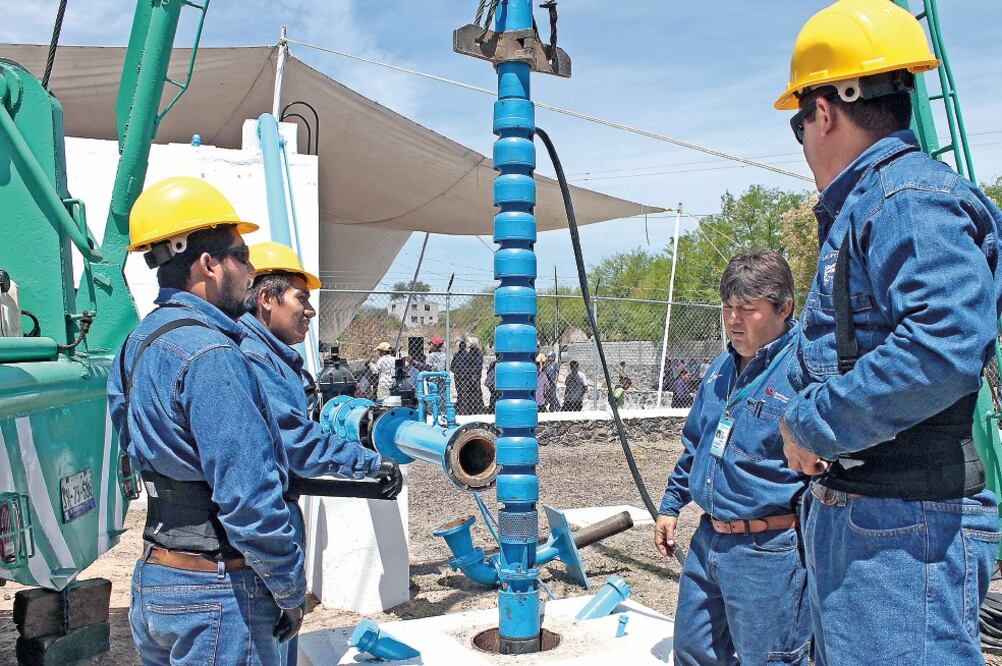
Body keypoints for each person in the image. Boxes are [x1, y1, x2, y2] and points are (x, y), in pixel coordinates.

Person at [775, 3, 1002, 663]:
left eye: (797, 122)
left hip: (902, 530)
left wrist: (809, 424)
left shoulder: (905, 200)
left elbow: (941, 345)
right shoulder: (881, 203)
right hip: (879, 521)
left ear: (823, 112)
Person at [108, 177, 304, 664]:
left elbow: (132, 447)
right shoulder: (213, 355)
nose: (251, 271)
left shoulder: (136, 344)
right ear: (209, 264)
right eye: (242, 256)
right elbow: (248, 498)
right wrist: (289, 587)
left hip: (156, 581)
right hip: (216, 593)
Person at [655, 250, 810, 666]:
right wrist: (671, 505)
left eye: (747, 309)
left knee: (769, 658)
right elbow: (697, 441)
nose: (733, 320)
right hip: (709, 539)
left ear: (783, 308)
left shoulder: (803, 370)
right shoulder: (722, 366)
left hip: (768, 549)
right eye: (727, 308)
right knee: (693, 651)